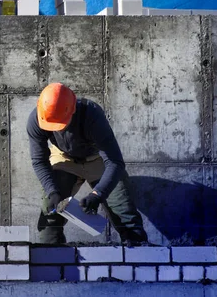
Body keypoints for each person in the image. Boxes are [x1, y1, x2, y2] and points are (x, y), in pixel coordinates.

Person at [26, 82, 148, 245]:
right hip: (63, 158)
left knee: (125, 214)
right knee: (50, 219)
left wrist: (98, 194)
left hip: (97, 160)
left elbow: (115, 162)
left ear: (72, 110)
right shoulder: (37, 119)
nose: (58, 129)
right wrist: (52, 191)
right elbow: (39, 161)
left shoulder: (92, 115)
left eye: (61, 123)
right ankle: (52, 260)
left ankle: (140, 259)